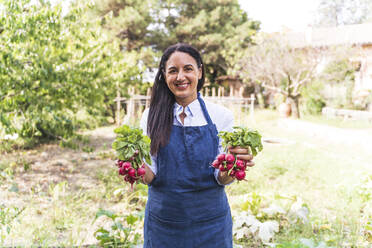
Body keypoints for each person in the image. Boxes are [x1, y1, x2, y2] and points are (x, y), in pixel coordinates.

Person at [139, 43, 254, 248]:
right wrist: (133, 166)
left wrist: (235, 166)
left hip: (211, 225)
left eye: (188, 69)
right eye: (173, 71)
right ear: (164, 77)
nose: (180, 77)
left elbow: (221, 178)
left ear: (200, 72)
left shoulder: (221, 116)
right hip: (163, 224)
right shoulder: (151, 117)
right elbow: (151, 176)